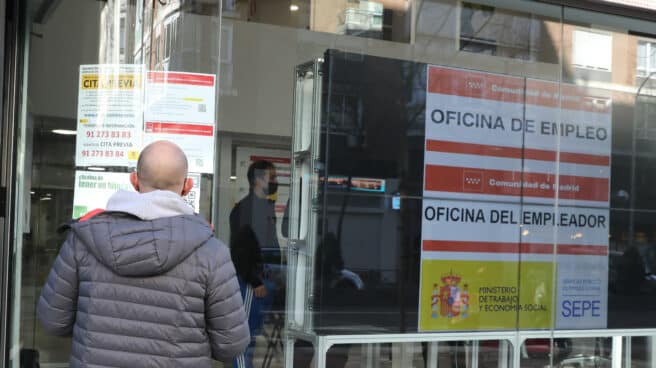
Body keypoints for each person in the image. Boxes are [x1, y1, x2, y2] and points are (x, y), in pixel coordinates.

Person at [37, 140, 250, 367]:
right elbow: (231, 344)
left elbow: (53, 321)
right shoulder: (212, 253)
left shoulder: (82, 240)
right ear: (187, 187)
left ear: (134, 180)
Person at [229, 160, 279, 368]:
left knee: (254, 335)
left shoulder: (266, 207)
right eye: (272, 177)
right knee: (245, 338)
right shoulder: (245, 209)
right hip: (252, 283)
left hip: (264, 280)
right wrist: (254, 280)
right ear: (258, 180)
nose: (275, 182)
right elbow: (240, 250)